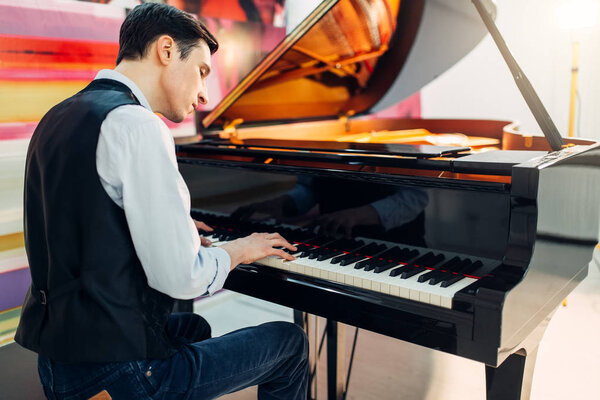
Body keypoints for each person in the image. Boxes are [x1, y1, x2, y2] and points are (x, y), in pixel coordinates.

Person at [15, 3, 308, 399]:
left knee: (193, 330)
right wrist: (239, 250)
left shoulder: (58, 116)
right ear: (166, 50)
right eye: (202, 71)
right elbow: (180, 279)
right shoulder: (137, 125)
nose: (204, 94)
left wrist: (180, 232)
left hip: (59, 363)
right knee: (288, 343)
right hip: (121, 371)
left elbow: (87, 223)